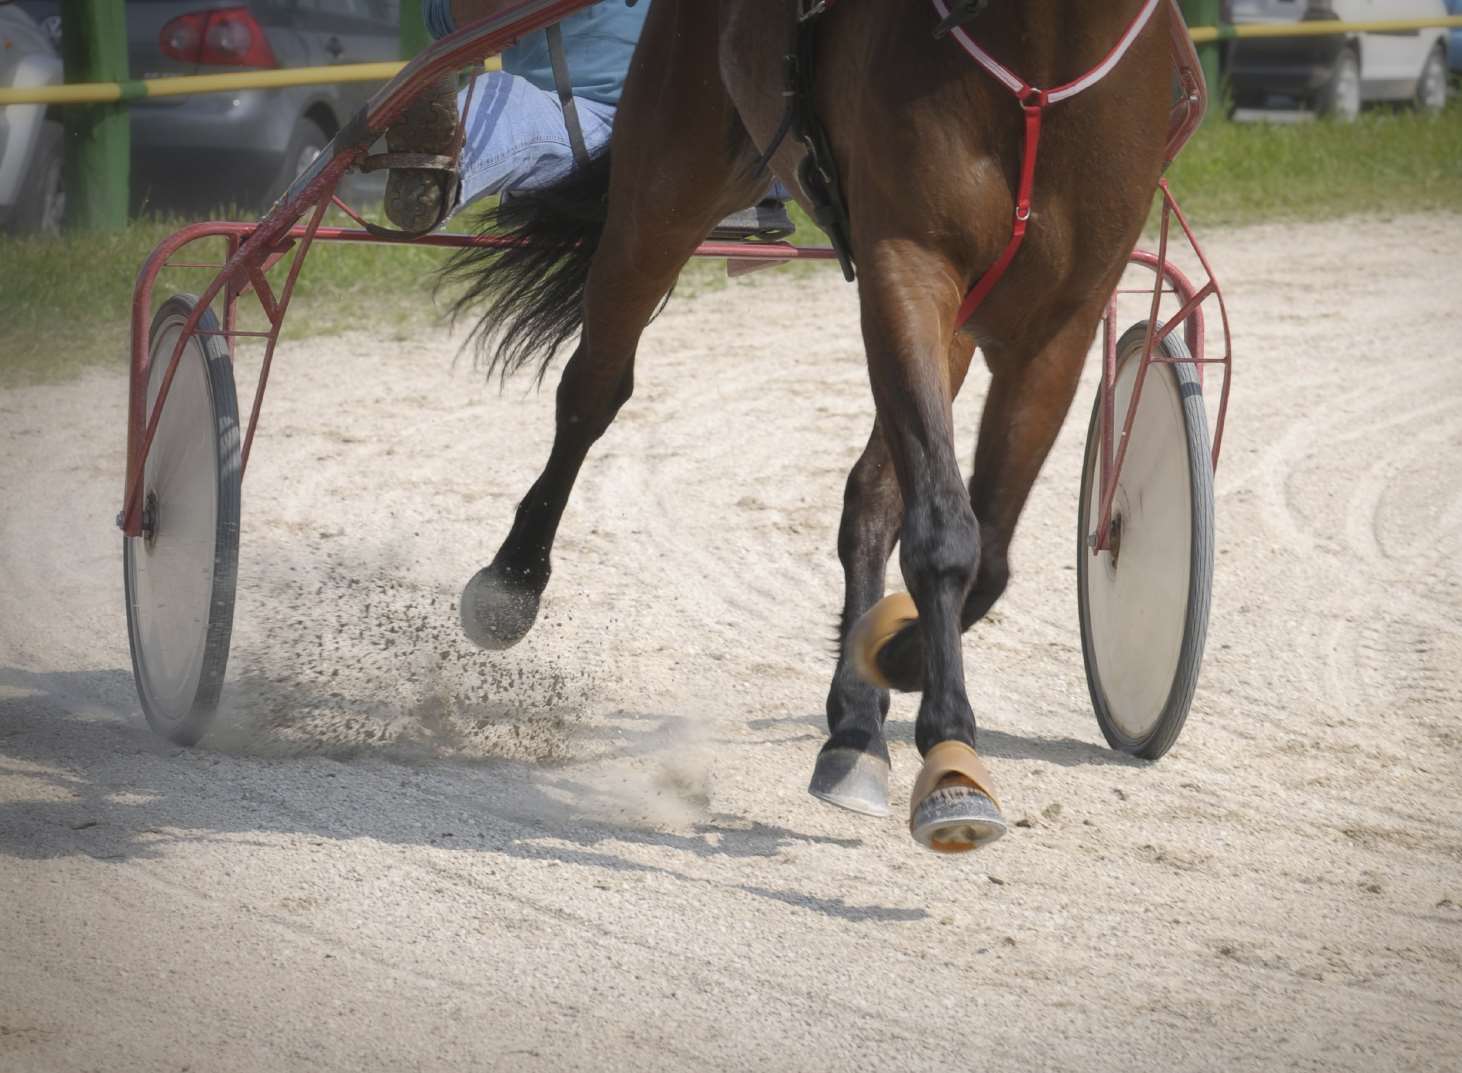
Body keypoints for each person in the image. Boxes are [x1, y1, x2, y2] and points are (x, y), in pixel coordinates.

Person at [384, 0, 794, 241]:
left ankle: (775, 191)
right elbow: (446, 20)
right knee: (501, 93)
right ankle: (434, 175)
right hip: (568, 120)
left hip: (679, 130)